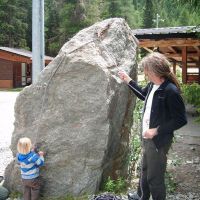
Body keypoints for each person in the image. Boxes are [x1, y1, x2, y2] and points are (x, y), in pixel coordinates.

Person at [118, 52, 187, 200]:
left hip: (158, 141)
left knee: (154, 177)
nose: (145, 73)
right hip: (147, 138)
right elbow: (143, 95)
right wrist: (128, 80)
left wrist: (156, 131)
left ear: (155, 70)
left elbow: (181, 120)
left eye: (147, 71)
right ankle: (141, 196)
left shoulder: (170, 91)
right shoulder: (152, 85)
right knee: (145, 170)